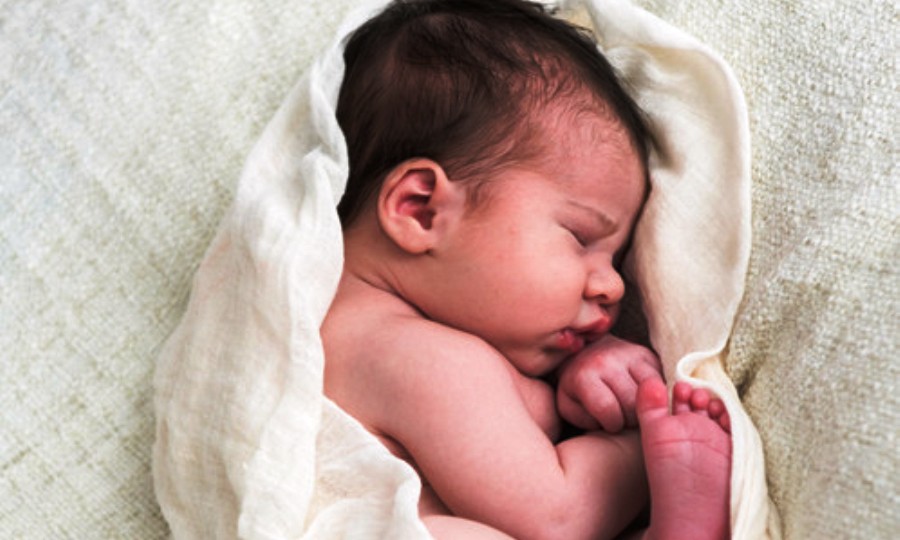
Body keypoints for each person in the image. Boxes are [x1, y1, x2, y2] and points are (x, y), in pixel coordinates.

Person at [321, 0, 732, 538]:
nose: (613, 284)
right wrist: (653, 443)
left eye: (614, 258)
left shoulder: (348, 327)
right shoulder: (409, 355)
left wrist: (573, 381)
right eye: (580, 237)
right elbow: (557, 516)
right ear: (422, 210)